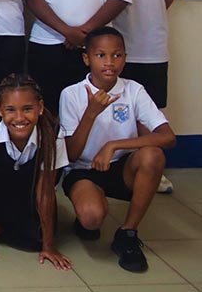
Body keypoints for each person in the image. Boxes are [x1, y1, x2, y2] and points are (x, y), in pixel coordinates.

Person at [60, 27, 176, 273]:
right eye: (101, 55)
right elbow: (71, 155)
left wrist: (113, 146)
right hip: (84, 170)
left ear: (125, 58)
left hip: (123, 168)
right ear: (86, 58)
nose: (109, 62)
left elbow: (167, 137)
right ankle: (87, 213)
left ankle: (128, 232)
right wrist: (91, 113)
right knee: (91, 218)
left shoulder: (134, 90)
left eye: (117, 55)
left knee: (153, 155)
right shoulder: (71, 94)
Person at [107, 0, 180, 194]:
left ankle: (151, 169)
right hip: (118, 47)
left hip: (153, 47)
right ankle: (118, 166)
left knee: (151, 111)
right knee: (117, 109)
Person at [0, 73, 71, 270]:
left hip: (28, 197)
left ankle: (14, 223)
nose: (19, 118)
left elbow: (45, 191)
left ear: (40, 107)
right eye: (10, 109)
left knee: (35, 241)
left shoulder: (53, 134)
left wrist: (48, 246)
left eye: (27, 109)